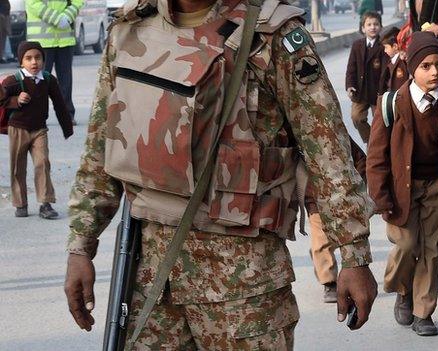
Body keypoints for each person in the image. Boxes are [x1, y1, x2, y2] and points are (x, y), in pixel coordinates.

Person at [62, 0, 378, 348]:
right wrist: (80, 247)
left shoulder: (273, 34)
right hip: (151, 284)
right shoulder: (131, 29)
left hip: (245, 287)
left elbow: (328, 152)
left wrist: (354, 254)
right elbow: (101, 148)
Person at [368, 32, 438, 336]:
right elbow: (376, 157)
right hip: (401, 188)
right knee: (407, 244)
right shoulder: (391, 103)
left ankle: (424, 311)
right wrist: (380, 197)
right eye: (426, 66)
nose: (434, 72)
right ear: (411, 69)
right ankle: (402, 290)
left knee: (431, 248)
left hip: (436, 186)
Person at [2, 41, 73, 219]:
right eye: (28, 58)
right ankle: (21, 203)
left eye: (38, 57)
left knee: (42, 163)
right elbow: (1, 100)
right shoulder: (13, 81)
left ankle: (45, 203)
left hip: (39, 130)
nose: (34, 62)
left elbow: (60, 104)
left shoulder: (48, 80)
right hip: (18, 129)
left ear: (43, 59)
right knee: (18, 167)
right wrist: (16, 100)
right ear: (21, 62)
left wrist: (67, 128)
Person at [305, 138, 367, 303]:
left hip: (343, 198)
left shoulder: (338, 135)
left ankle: (353, 270)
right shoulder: (300, 138)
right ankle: (329, 282)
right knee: (320, 242)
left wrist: (357, 186)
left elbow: (362, 160)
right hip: (315, 199)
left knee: (351, 237)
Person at [25, 0, 84, 125]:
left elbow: (78, 1)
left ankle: (67, 115)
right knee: (38, 80)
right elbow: (33, 3)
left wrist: (67, 16)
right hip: (42, 41)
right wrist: (57, 19)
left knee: (65, 80)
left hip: (64, 39)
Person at [346, 11, 387, 143]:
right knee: (356, 117)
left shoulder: (384, 46)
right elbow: (351, 69)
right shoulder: (357, 45)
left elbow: (386, 70)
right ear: (363, 28)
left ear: (380, 26)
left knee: (380, 122)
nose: (372, 27)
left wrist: (384, 92)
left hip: (378, 92)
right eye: (368, 24)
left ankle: (377, 148)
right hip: (361, 90)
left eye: (376, 24)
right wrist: (350, 85)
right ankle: (371, 140)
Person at [379, 26, 409, 92]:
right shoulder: (390, 62)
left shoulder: (404, 61)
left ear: (395, 46)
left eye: (386, 47)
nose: (385, 50)